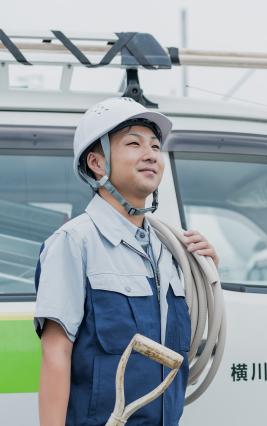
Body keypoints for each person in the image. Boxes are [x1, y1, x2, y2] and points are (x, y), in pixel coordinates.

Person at [34, 97, 218, 426]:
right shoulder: (75, 243)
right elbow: (56, 353)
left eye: (155, 146)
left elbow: (196, 341)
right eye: (133, 143)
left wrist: (210, 272)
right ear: (97, 163)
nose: (150, 154)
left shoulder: (171, 251)